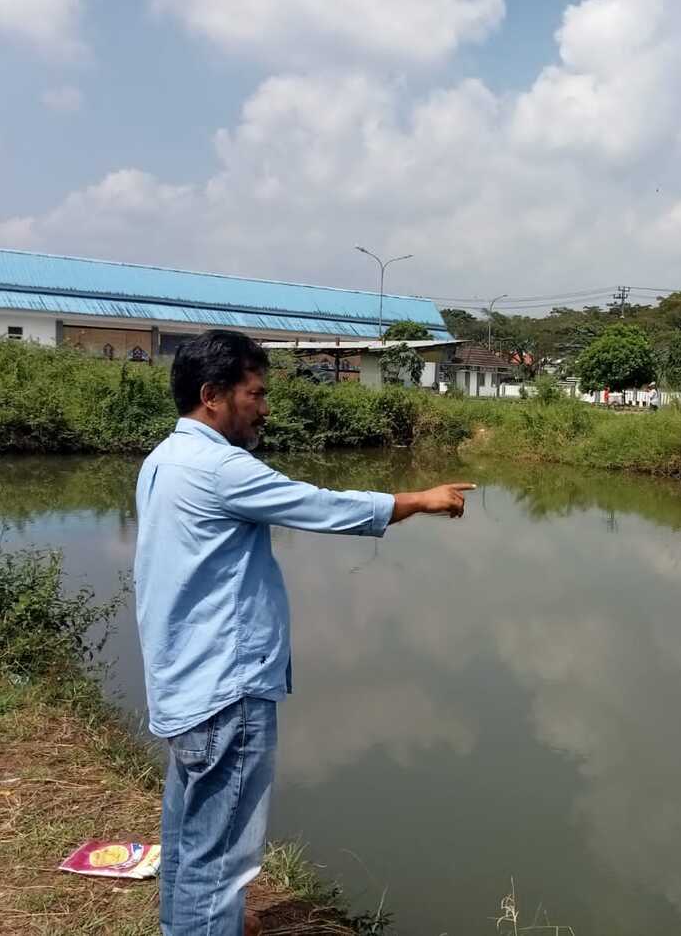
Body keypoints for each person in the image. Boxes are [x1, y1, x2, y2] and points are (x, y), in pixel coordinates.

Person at [134, 330, 474, 936]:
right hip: (226, 689)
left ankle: (203, 924)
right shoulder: (220, 467)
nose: (265, 407)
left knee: (190, 837)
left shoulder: (164, 459)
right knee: (221, 855)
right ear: (213, 396)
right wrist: (419, 499)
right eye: (256, 393)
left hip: (183, 681)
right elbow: (319, 506)